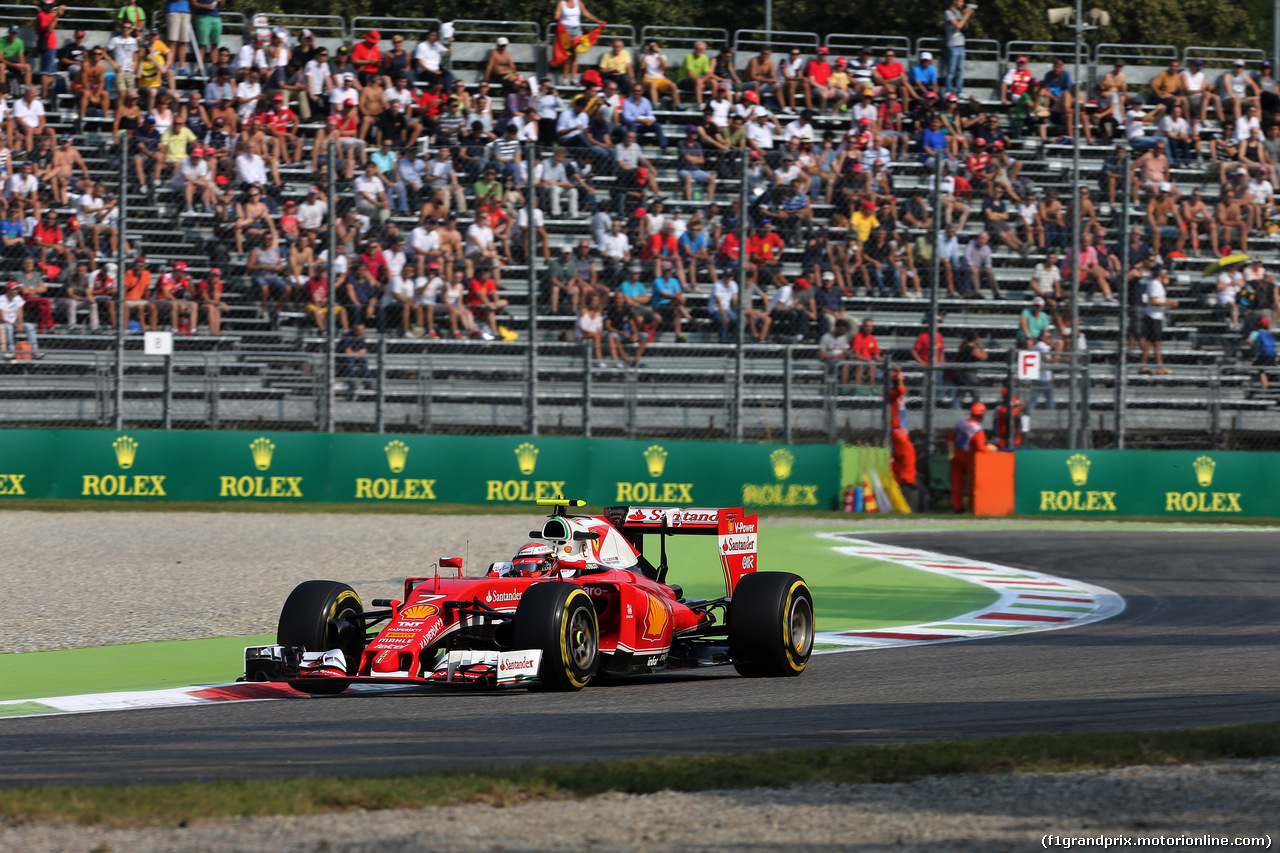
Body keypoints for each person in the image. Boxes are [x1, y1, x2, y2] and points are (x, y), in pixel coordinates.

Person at [947, 401, 992, 513]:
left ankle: (957, 507)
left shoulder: (960, 423)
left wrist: (951, 453)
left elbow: (949, 438)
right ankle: (972, 505)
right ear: (981, 415)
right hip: (969, 457)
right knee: (972, 483)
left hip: (956, 455)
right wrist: (991, 448)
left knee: (956, 484)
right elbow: (981, 448)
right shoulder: (978, 429)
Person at [1139, 266, 1177, 375]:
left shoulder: (1157, 284)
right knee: (1156, 343)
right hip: (1154, 317)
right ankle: (1159, 367)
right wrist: (1170, 303)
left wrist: (1166, 284)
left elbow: (1160, 297)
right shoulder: (1155, 284)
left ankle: (1146, 366)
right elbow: (1153, 302)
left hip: (1156, 317)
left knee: (1151, 343)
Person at [554, 0, 602, 87]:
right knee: (568, 55)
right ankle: (565, 79)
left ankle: (573, 78)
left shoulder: (578, 2)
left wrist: (597, 21)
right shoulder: (562, 3)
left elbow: (585, 13)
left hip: (577, 30)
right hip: (565, 30)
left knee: (575, 54)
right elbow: (557, 13)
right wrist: (557, 16)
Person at [944, 0, 975, 96]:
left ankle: (959, 91)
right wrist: (966, 15)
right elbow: (958, 26)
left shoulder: (958, 13)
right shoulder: (948, 13)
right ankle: (948, 90)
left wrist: (967, 16)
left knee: (960, 71)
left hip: (961, 44)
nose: (962, 3)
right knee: (951, 71)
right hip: (952, 45)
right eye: (961, 1)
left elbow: (964, 26)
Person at [1246, 316, 1276, 389]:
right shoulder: (1269, 334)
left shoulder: (1256, 332)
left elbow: (1249, 341)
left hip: (1262, 354)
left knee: (1262, 371)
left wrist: (1240, 342)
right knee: (1264, 369)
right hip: (1272, 354)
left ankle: (1264, 387)